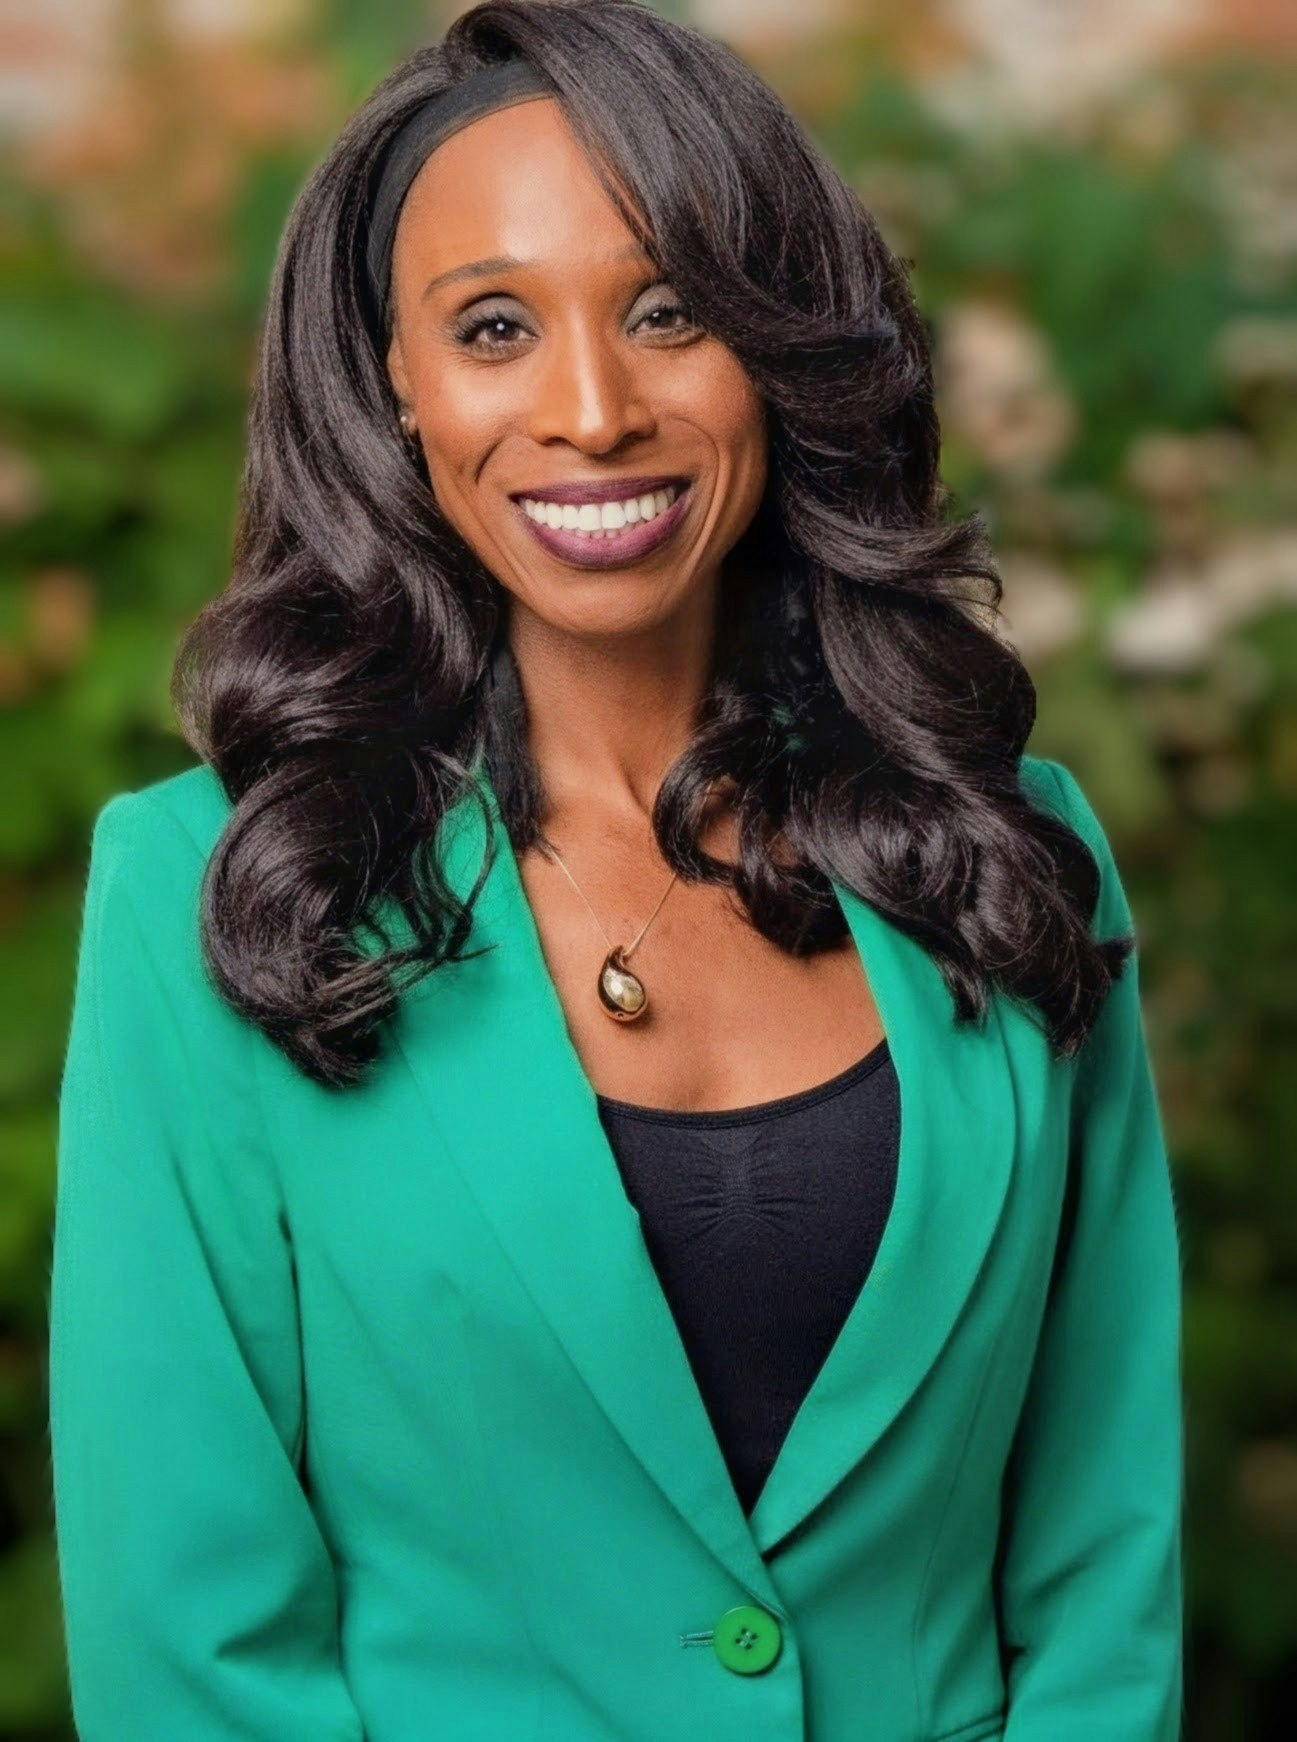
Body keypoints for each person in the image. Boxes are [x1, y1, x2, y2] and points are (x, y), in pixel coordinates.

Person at [46, 2, 1185, 1739]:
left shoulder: (1008, 841)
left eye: (670, 311)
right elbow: (190, 1643)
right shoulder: (211, 888)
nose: (591, 409)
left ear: (780, 344)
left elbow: (1102, 1549)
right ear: (392, 379)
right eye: (493, 326)